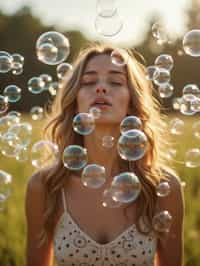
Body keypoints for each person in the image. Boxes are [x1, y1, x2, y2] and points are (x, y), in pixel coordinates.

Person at [25, 43, 184, 266]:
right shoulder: (45, 186)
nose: (100, 88)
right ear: (75, 101)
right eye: (89, 82)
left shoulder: (162, 187)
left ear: (131, 102)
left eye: (116, 82)